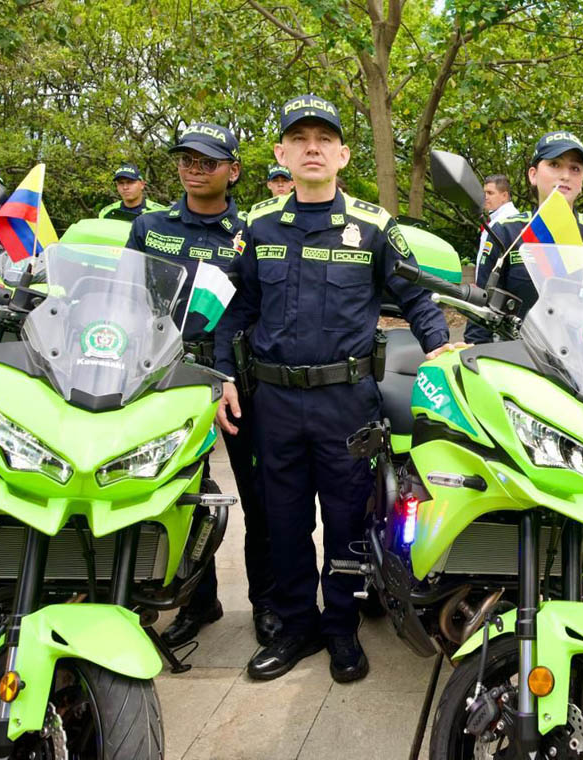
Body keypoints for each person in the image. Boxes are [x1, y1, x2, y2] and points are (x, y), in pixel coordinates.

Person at [214, 94, 453, 684]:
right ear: (282, 154)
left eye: (324, 139)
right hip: (272, 402)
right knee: (283, 521)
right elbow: (233, 308)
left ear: (343, 154)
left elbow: (416, 296)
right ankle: (297, 625)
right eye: (300, 139)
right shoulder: (256, 226)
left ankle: (342, 626)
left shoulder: (374, 226)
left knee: (347, 521)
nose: (312, 148)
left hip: (346, 403)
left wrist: (442, 348)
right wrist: (221, 375)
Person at [125, 123, 281, 649]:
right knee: (181, 494)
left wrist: (224, 375)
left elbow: (259, 308)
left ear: (233, 171)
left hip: (241, 379)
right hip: (165, 377)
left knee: (258, 498)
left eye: (208, 161)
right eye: (187, 160)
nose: (195, 169)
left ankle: (267, 602)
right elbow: (130, 301)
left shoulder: (252, 230)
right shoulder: (150, 225)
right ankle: (197, 600)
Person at [466, 131, 583, 344]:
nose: (565, 175)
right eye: (555, 164)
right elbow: (480, 311)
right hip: (518, 360)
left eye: (575, 168)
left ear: (582, 179)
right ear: (533, 175)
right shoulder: (507, 231)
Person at [475, 173, 518, 271]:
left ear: (504, 196)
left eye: (490, 193)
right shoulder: (505, 217)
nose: (485, 197)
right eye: (484, 193)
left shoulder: (503, 222)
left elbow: (487, 265)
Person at [99, 163, 167, 221]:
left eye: (130, 182)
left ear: (142, 185)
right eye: (121, 183)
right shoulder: (107, 212)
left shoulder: (160, 212)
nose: (125, 187)